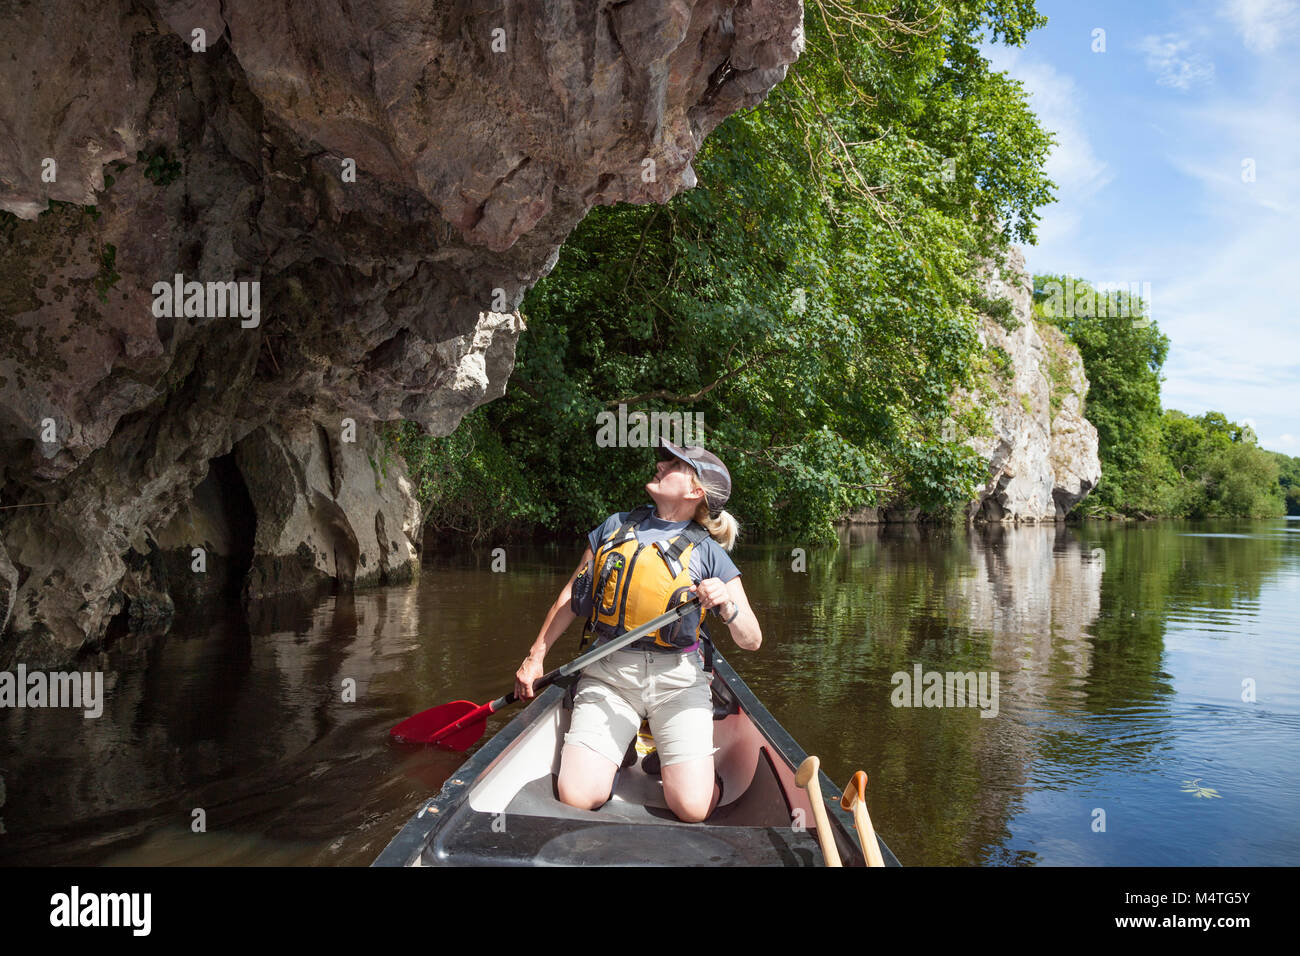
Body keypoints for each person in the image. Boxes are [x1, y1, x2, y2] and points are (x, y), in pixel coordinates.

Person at [514, 438, 762, 823]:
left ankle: (671, 755)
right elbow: (569, 596)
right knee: (578, 795)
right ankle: (623, 745)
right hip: (611, 673)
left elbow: (752, 639)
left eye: (673, 465)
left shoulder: (710, 553)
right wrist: (535, 656)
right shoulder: (615, 528)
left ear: (696, 491)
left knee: (693, 809)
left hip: (678, 682)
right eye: (664, 460)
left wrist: (727, 605)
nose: (660, 465)